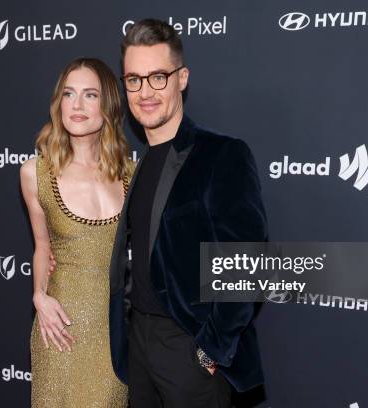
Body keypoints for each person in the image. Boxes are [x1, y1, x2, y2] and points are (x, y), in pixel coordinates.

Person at [108, 19, 269, 407]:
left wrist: (210, 349)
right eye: (134, 79)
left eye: (158, 77)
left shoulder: (221, 155)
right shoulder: (141, 164)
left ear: (182, 78)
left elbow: (248, 264)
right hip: (139, 344)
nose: (145, 91)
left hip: (189, 348)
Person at [20, 57, 133, 408]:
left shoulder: (130, 173)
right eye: (68, 94)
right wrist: (39, 296)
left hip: (114, 330)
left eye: (89, 95)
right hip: (61, 327)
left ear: (108, 105)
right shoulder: (35, 172)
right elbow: (41, 246)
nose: (77, 105)